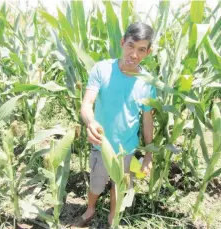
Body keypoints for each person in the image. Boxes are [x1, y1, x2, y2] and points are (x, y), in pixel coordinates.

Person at [74, 22, 156, 227]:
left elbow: (147, 120)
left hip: (126, 148)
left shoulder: (147, 82)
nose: (134, 54)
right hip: (100, 145)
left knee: (119, 186)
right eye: (130, 46)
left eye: (141, 50)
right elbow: (87, 103)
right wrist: (91, 122)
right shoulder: (102, 69)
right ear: (122, 42)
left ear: (148, 52)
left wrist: (148, 154)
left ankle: (113, 217)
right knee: (96, 185)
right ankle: (90, 210)